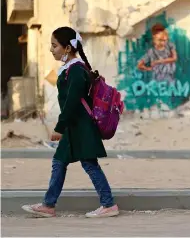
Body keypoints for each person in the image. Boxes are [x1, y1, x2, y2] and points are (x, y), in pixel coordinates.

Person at [21, 27, 119, 218]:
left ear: (67, 48)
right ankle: (48, 205)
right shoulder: (70, 68)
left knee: (89, 164)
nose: (51, 49)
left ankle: (108, 205)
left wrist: (60, 127)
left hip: (81, 127)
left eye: (54, 45)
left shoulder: (75, 70)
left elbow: (73, 102)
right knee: (59, 162)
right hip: (75, 127)